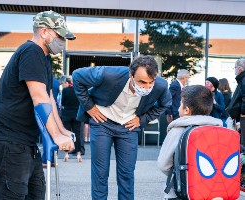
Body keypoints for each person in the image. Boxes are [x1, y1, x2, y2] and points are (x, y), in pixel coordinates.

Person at [0, 10, 75, 199]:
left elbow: (49, 98)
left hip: (27, 141)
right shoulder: (31, 52)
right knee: (11, 194)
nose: (63, 41)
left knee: (36, 193)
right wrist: (55, 136)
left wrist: (62, 132)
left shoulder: (44, 57)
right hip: (10, 140)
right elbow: (38, 98)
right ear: (45, 32)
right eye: (59, 35)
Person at [72, 55, 172, 200]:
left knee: (127, 173)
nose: (146, 87)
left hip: (128, 127)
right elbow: (77, 76)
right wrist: (89, 107)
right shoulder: (109, 74)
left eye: (151, 82)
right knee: (100, 172)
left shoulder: (161, 86)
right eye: (142, 82)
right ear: (131, 75)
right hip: (102, 122)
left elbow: (165, 104)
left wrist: (142, 119)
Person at [158, 85, 223, 199]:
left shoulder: (177, 130)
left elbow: (164, 165)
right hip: (214, 191)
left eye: (180, 104)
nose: (178, 107)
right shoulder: (220, 129)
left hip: (181, 192)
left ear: (186, 110)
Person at [61, 76, 83, 163]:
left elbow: (62, 102)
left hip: (67, 114)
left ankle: (66, 154)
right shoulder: (78, 90)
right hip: (76, 114)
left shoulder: (65, 90)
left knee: (67, 134)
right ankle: (78, 154)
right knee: (77, 134)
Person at [228, 58, 245, 149]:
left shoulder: (243, 79)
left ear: (239, 69)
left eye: (234, 68)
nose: (234, 70)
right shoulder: (242, 79)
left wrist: (242, 113)